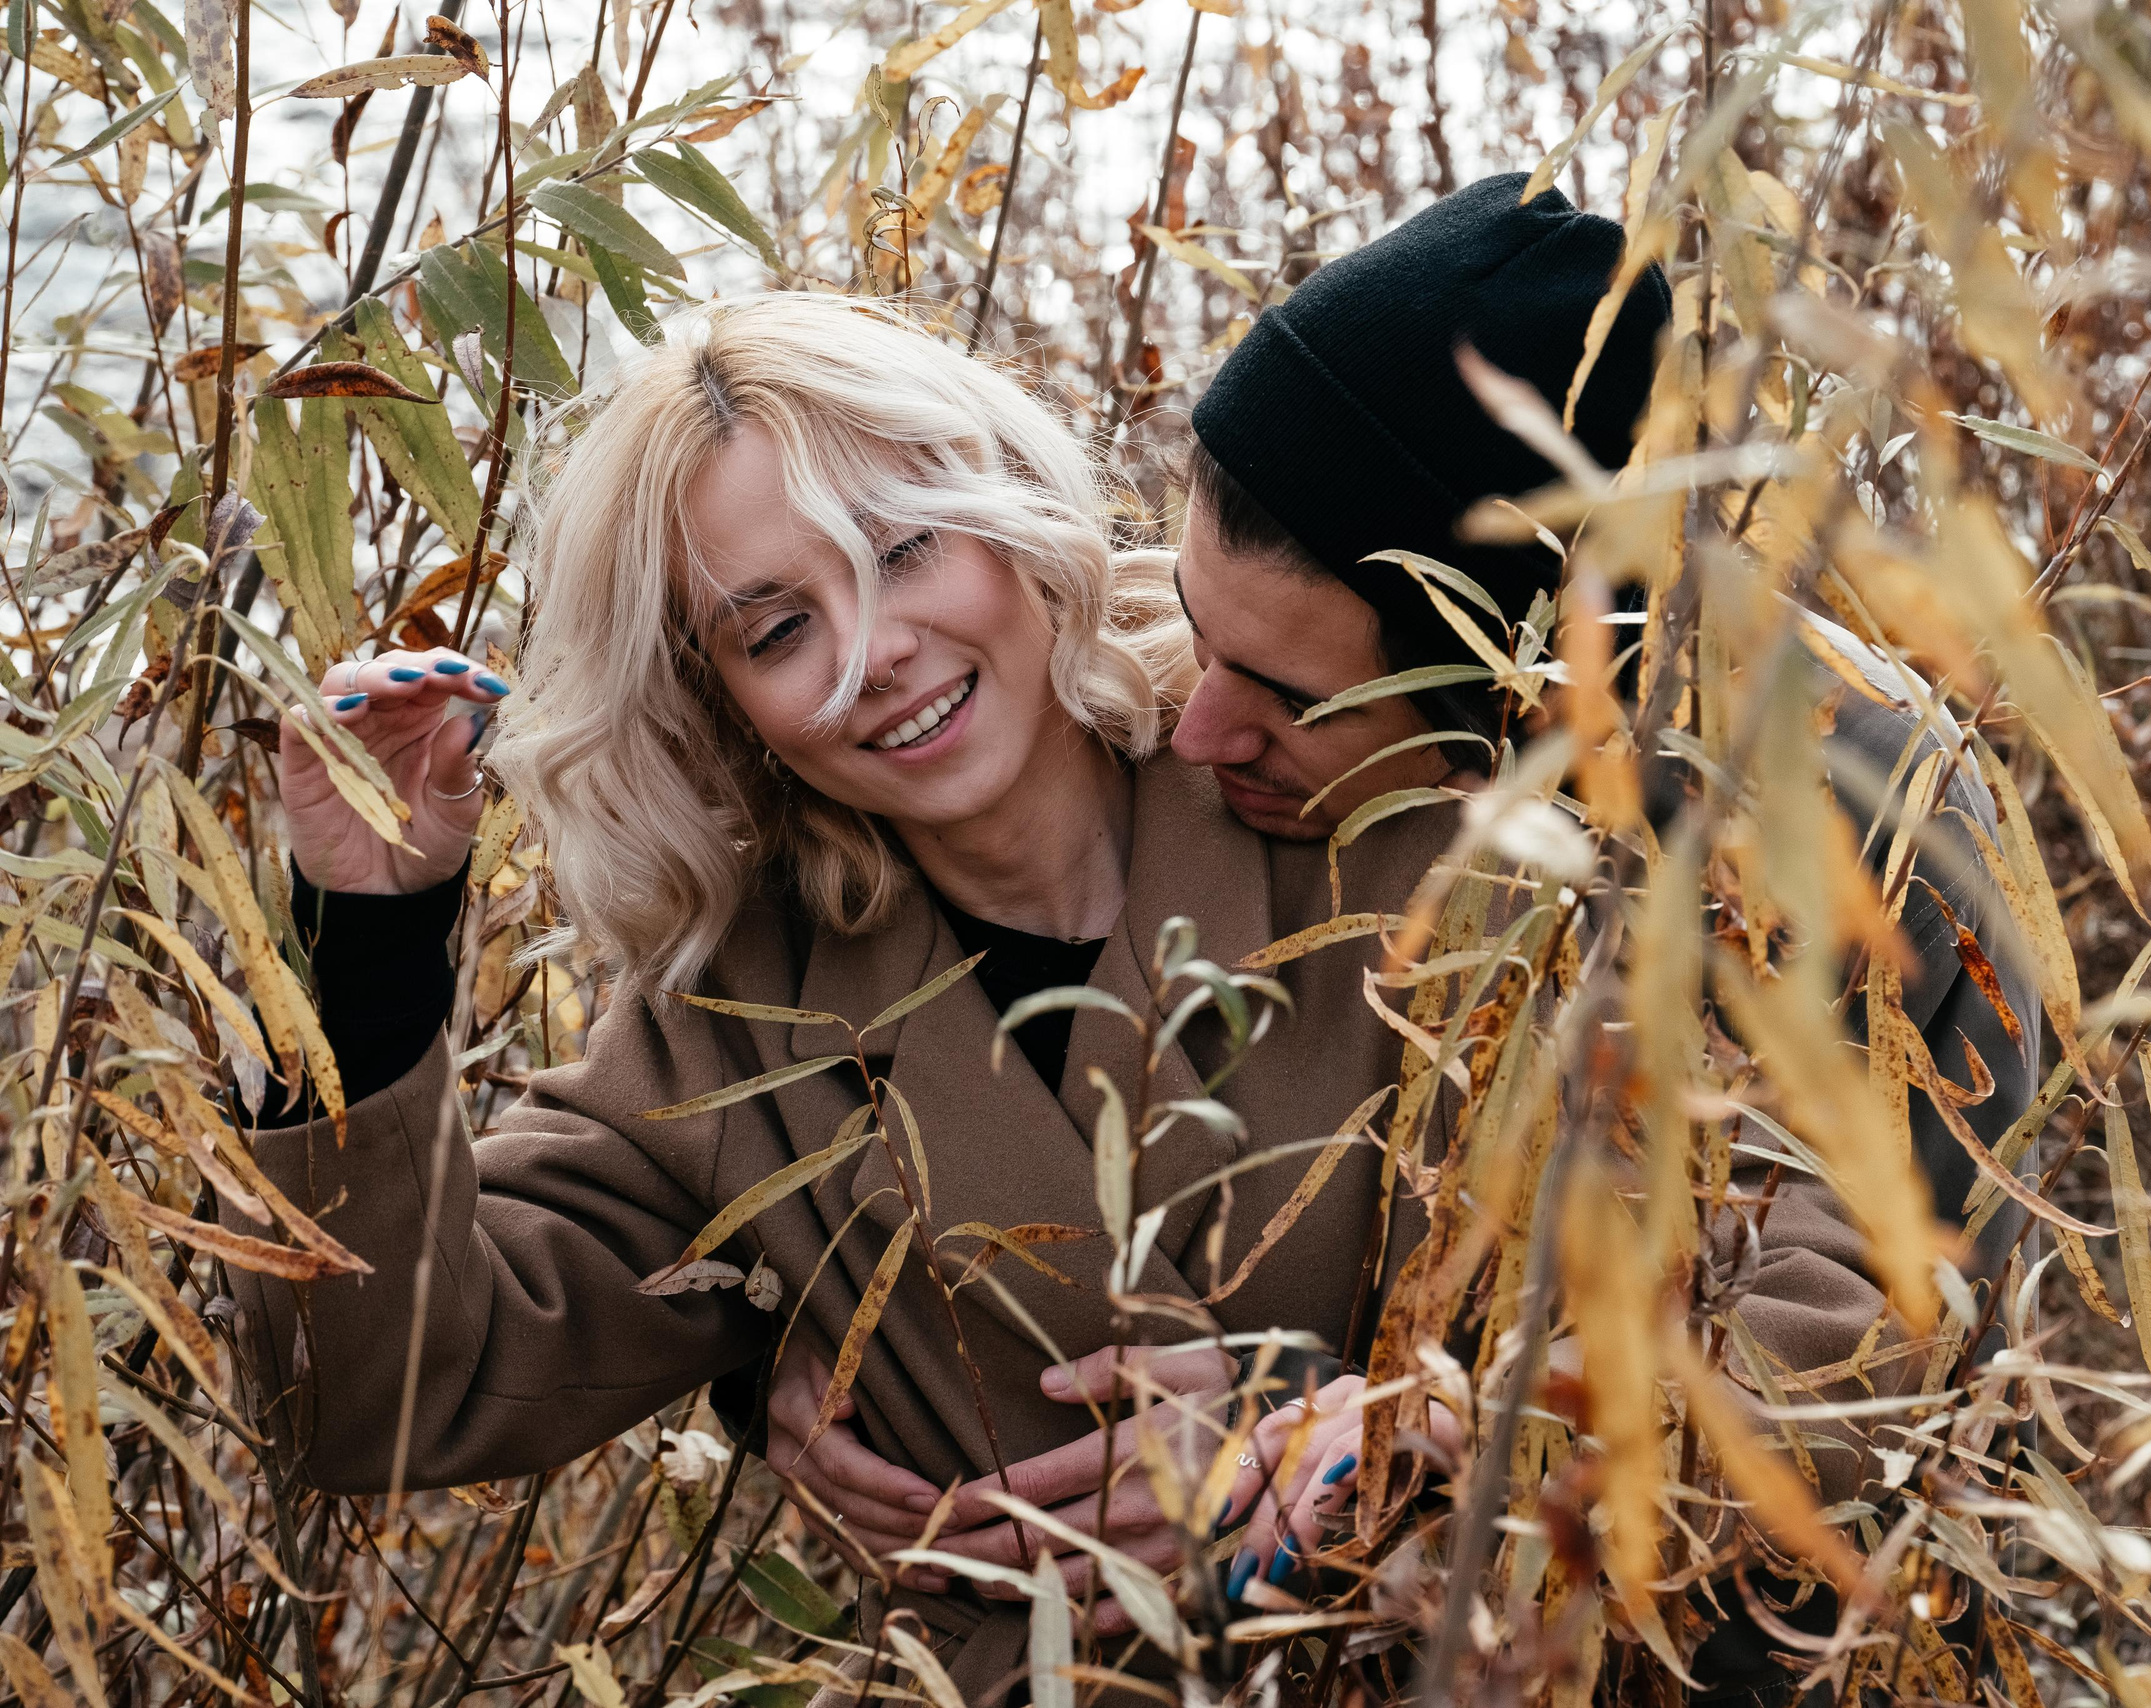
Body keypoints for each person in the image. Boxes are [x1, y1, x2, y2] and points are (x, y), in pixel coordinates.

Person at [772, 174, 2045, 1689]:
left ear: (1515, 689)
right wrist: (846, 1323)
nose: (1194, 726)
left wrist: (1389, 1431)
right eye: (1196, 622)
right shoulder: (1299, 644)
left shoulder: (1872, 847)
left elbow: (1832, 1366)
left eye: (1290, 699)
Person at [231, 293, 1483, 1698]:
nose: (873, 649)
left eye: (902, 549)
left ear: (1006, 509)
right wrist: (367, 941)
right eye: (775, 631)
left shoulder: (1347, 769)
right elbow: (381, 1398)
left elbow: (1763, 1303)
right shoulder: (740, 1032)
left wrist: (1391, 1425)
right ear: (718, 705)